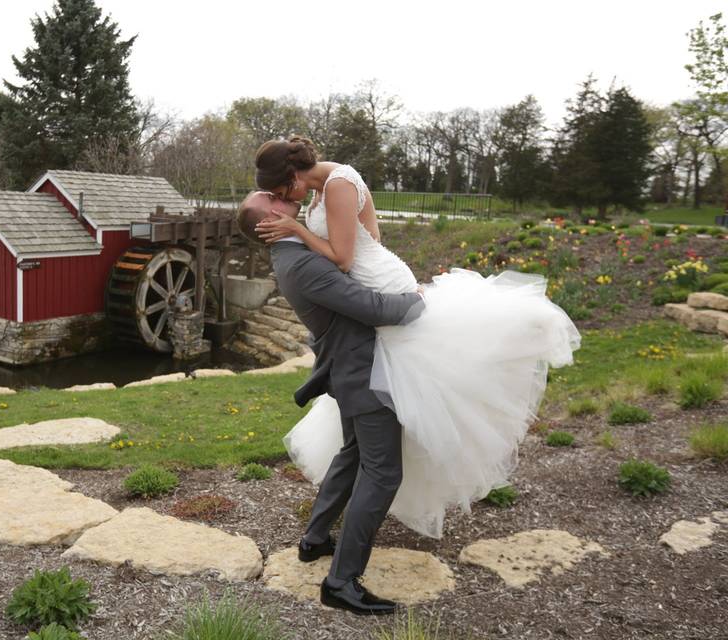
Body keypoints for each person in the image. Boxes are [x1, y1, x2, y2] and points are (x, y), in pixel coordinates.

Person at [251, 136, 581, 541]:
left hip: (382, 287)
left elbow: (343, 258)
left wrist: (299, 231)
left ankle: (346, 528)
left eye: (285, 190)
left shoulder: (337, 185)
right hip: (374, 281)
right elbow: (370, 231)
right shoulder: (325, 185)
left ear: (295, 174)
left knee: (421, 388)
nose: (288, 199)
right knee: (371, 426)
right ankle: (322, 533)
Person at [237, 191, 425, 615]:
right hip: (364, 373)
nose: (279, 190)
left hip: (353, 367)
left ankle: (315, 539)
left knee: (355, 453)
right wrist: (418, 302)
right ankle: (341, 582)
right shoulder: (299, 263)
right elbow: (370, 306)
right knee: (383, 474)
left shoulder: (296, 249)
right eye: (269, 194)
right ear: (269, 215)